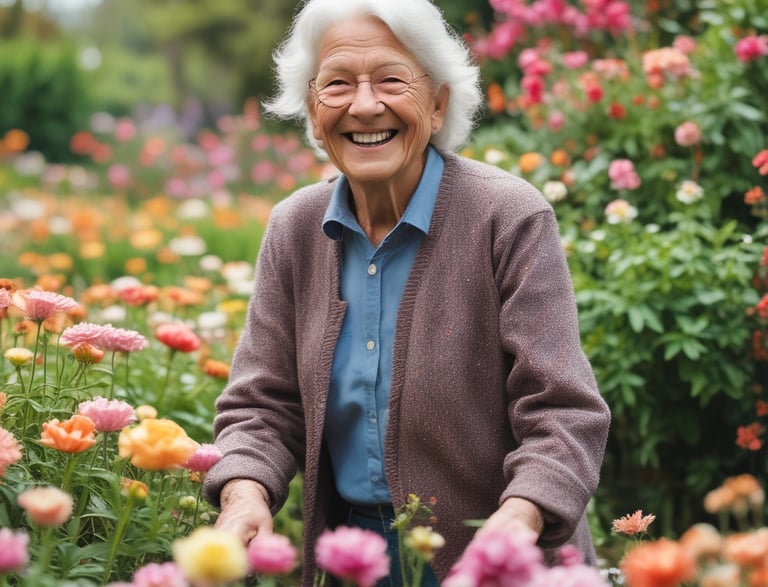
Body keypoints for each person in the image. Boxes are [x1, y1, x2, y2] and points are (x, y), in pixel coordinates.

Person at [203, 0, 611, 585]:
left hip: (498, 560)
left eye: (392, 79)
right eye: (337, 84)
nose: (365, 105)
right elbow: (260, 407)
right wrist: (244, 494)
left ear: (439, 101)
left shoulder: (508, 217)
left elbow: (564, 411)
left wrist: (519, 517)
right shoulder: (294, 228)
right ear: (313, 110)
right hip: (352, 560)